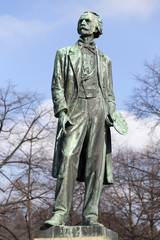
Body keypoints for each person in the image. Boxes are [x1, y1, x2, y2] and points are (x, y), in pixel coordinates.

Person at [45, 11, 116, 227]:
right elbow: (57, 85)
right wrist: (62, 111)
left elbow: (110, 94)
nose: (83, 23)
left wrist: (112, 111)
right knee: (68, 157)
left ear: (97, 28)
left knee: (95, 165)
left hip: (98, 110)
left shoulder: (106, 60)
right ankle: (59, 213)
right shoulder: (64, 53)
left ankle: (91, 216)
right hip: (75, 109)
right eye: (81, 21)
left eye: (88, 21)